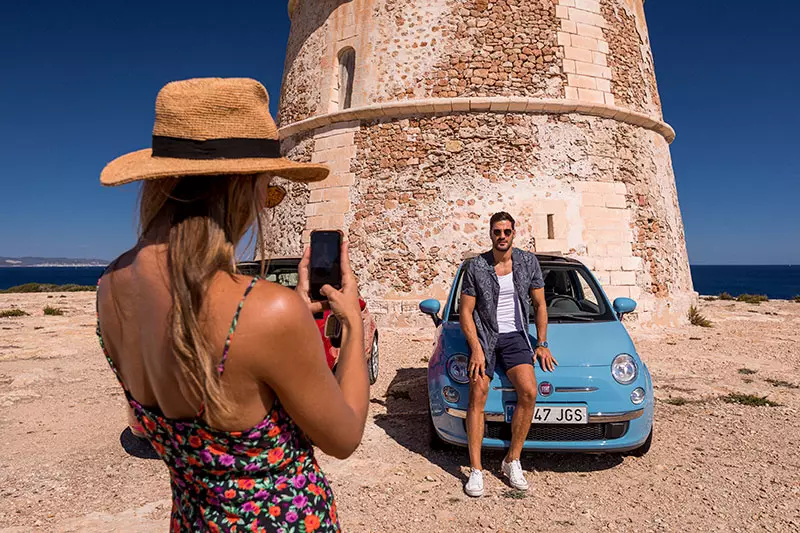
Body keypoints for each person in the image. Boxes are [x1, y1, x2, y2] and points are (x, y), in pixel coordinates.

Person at [96, 77, 369, 531]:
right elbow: (343, 437)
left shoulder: (110, 288)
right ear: (243, 186)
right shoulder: (267, 311)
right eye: (267, 188)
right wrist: (353, 326)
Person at [459, 212, 557, 497]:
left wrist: (542, 343)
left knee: (529, 391)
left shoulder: (528, 262)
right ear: (490, 234)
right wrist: (476, 348)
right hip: (485, 337)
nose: (502, 236)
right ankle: (476, 470)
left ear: (514, 233)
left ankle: (512, 460)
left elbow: (539, 305)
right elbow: (466, 311)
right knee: (477, 394)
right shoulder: (476, 266)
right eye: (497, 232)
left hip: (515, 336)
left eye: (506, 232)